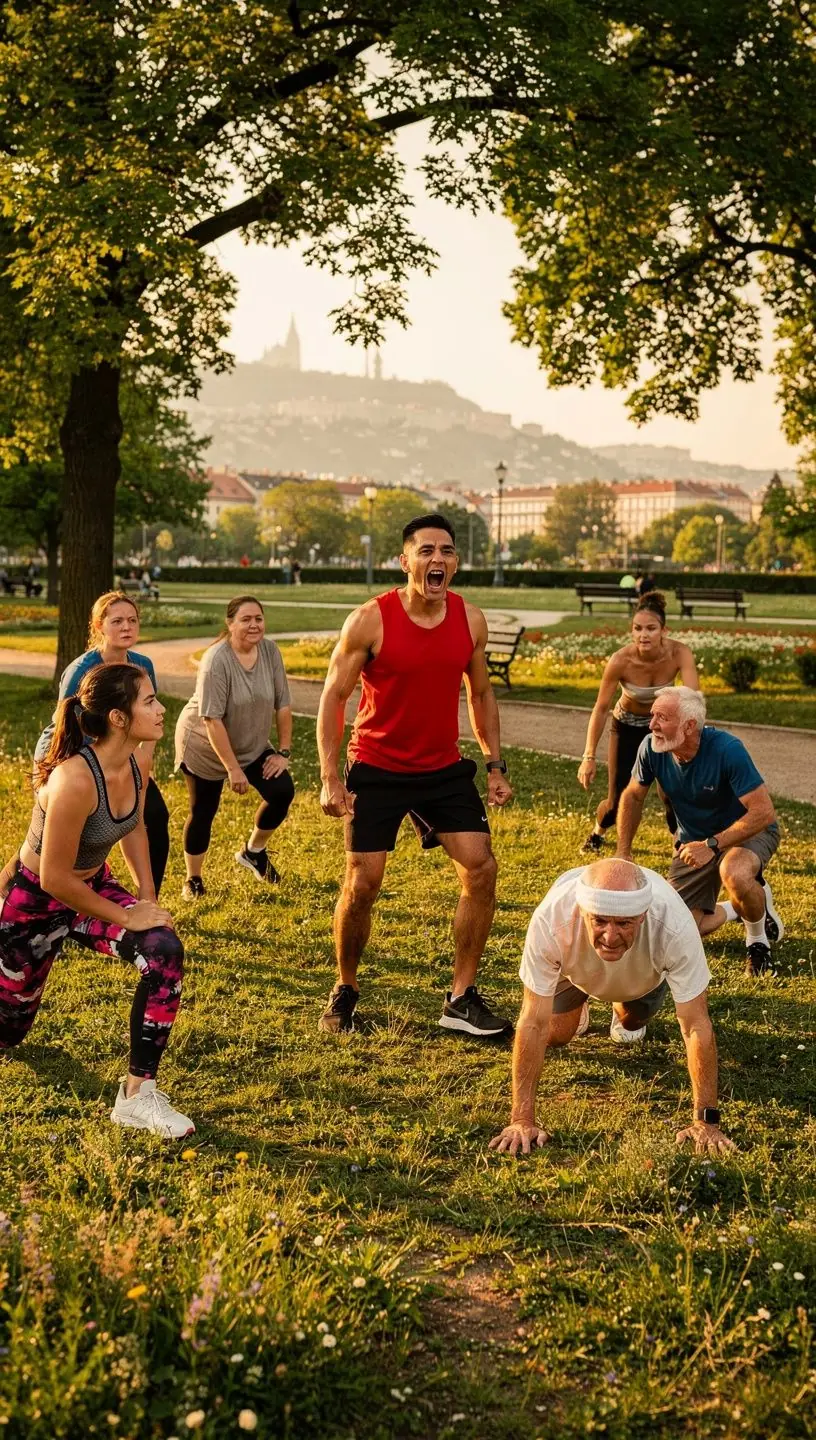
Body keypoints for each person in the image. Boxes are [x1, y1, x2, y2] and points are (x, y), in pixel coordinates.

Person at [317, 512, 513, 1038]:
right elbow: (335, 697)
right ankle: (346, 987)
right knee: (363, 883)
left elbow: (481, 693)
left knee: (481, 869)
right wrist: (330, 776)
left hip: (441, 768)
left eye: (446, 551)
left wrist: (494, 763)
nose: (437, 559)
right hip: (376, 766)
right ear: (404, 561)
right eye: (425, 550)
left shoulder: (470, 620)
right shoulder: (370, 620)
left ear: (455, 562)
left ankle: (460, 996)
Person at [0, 663, 193, 1138]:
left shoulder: (138, 758)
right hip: (33, 903)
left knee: (163, 951)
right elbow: (54, 878)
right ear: (118, 717)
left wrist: (146, 897)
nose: (160, 708)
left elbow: (137, 827)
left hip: (90, 886)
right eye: (149, 700)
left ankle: (136, 1096)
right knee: (8, 1030)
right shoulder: (73, 781)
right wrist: (126, 913)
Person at [489, 859, 735, 1158]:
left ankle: (622, 1003)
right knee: (555, 1034)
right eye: (600, 921)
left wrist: (705, 1121)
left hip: (641, 975)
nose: (609, 936)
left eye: (624, 923)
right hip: (575, 970)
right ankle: (582, 1002)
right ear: (583, 913)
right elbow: (532, 1022)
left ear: (643, 916)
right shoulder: (551, 919)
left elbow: (695, 1024)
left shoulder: (675, 925)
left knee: (630, 1023)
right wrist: (521, 1120)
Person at [616, 686, 783, 976]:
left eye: (662, 718)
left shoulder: (727, 749)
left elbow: (763, 812)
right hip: (694, 841)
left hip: (748, 831)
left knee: (735, 872)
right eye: (652, 715)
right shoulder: (651, 748)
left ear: (689, 725)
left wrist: (713, 844)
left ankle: (758, 943)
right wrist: (623, 851)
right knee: (674, 929)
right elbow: (632, 796)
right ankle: (740, 907)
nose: (652, 724)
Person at [33, 592, 170, 895]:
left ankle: (149, 898)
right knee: (63, 834)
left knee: (155, 815)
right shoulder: (81, 670)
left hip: (116, 755)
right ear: (98, 626)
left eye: (132, 620)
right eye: (117, 621)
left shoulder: (142, 664)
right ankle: (25, 891)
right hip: (67, 753)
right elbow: (64, 730)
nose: (127, 627)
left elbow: (146, 719)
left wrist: (142, 762)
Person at [174, 595, 294, 898]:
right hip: (204, 744)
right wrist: (233, 769)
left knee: (282, 791)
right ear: (230, 624)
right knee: (204, 810)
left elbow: (283, 705)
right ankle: (193, 880)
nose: (254, 625)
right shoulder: (216, 661)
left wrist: (283, 752)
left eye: (259, 618)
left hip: (249, 741)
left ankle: (254, 852)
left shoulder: (269, 651)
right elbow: (212, 719)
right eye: (246, 619)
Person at [578, 593, 698, 853]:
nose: (643, 635)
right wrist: (588, 755)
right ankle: (599, 831)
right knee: (617, 801)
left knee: (671, 793)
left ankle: (681, 843)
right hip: (627, 726)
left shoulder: (679, 653)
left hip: (662, 727)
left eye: (651, 628)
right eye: (638, 628)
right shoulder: (621, 660)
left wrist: (691, 743)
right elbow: (600, 708)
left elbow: (692, 700)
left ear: (664, 630)